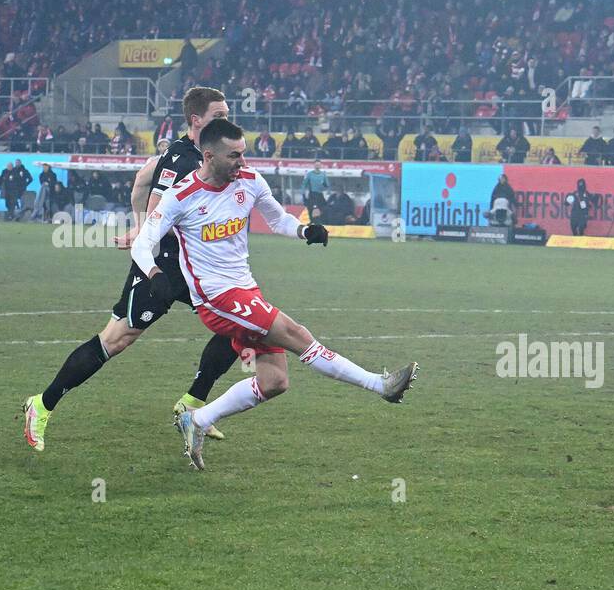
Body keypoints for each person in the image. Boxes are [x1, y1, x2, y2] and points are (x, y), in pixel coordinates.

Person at [122, 118, 417, 470]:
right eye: (234, 156)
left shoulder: (249, 181)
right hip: (216, 298)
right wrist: (154, 274)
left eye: (243, 154)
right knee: (296, 334)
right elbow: (142, 243)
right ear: (209, 155)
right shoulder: (180, 196)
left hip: (246, 289)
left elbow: (278, 220)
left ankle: (195, 421)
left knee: (275, 381)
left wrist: (305, 230)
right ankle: (380, 385)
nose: (242, 162)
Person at [22, 87, 240, 452]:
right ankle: (41, 405)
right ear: (196, 121)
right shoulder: (181, 160)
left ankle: (192, 405)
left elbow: (141, 177)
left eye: (228, 114)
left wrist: (139, 224)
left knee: (239, 325)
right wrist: (145, 236)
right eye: (219, 116)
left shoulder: (205, 154)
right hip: (163, 267)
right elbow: (155, 199)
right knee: (115, 341)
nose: (227, 122)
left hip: (197, 267)